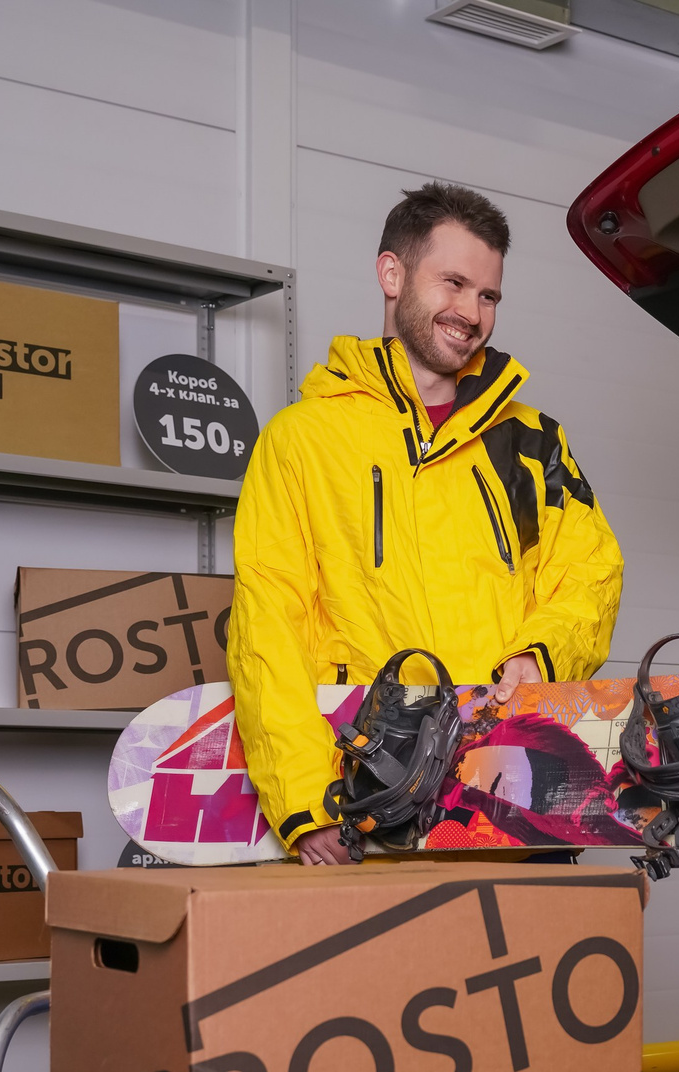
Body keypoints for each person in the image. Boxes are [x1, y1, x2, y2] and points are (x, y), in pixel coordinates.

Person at [228, 182, 625, 864]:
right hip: (368, 804)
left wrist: (540, 655)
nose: (470, 312)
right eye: (454, 283)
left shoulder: (533, 443)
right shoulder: (302, 441)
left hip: (508, 799)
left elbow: (589, 574)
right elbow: (269, 626)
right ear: (392, 274)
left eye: (489, 295)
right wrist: (303, 800)